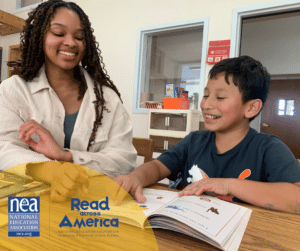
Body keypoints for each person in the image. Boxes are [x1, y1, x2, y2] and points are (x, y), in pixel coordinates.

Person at [114, 56, 300, 214]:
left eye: (220, 97)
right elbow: (157, 167)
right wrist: (136, 178)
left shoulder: (268, 148)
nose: (206, 105)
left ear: (251, 107)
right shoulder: (194, 141)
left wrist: (228, 185)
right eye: (205, 95)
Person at [0, 0, 136, 201]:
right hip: (29, 204)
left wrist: (66, 156)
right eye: (59, 33)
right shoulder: (13, 90)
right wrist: (49, 171)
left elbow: (124, 160)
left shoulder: (107, 98)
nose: (71, 42)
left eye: (79, 37)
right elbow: (4, 147)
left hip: (91, 204)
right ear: (40, 36)